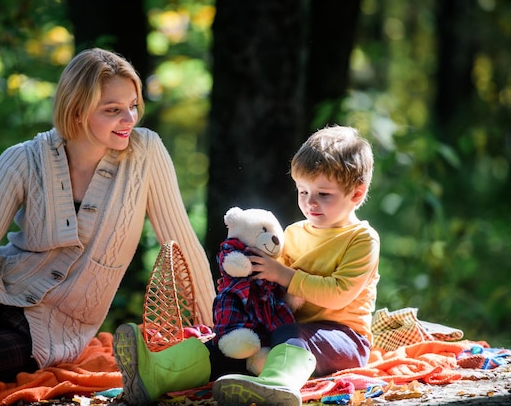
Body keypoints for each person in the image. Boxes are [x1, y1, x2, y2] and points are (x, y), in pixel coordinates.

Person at [0, 48, 216, 404]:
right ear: (77, 109)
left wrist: (217, 329)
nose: (129, 118)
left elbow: (180, 241)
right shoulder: (23, 159)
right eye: (113, 110)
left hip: (52, 330)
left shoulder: (145, 153)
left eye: (133, 105)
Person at [113, 125, 380, 406]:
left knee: (289, 335)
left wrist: (282, 274)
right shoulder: (294, 233)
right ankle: (155, 373)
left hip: (344, 339)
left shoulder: (361, 239)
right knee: (231, 343)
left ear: (356, 195)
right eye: (303, 191)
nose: (310, 202)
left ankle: (277, 386)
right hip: (284, 331)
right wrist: (247, 287)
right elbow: (274, 290)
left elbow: (340, 293)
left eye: (323, 194)